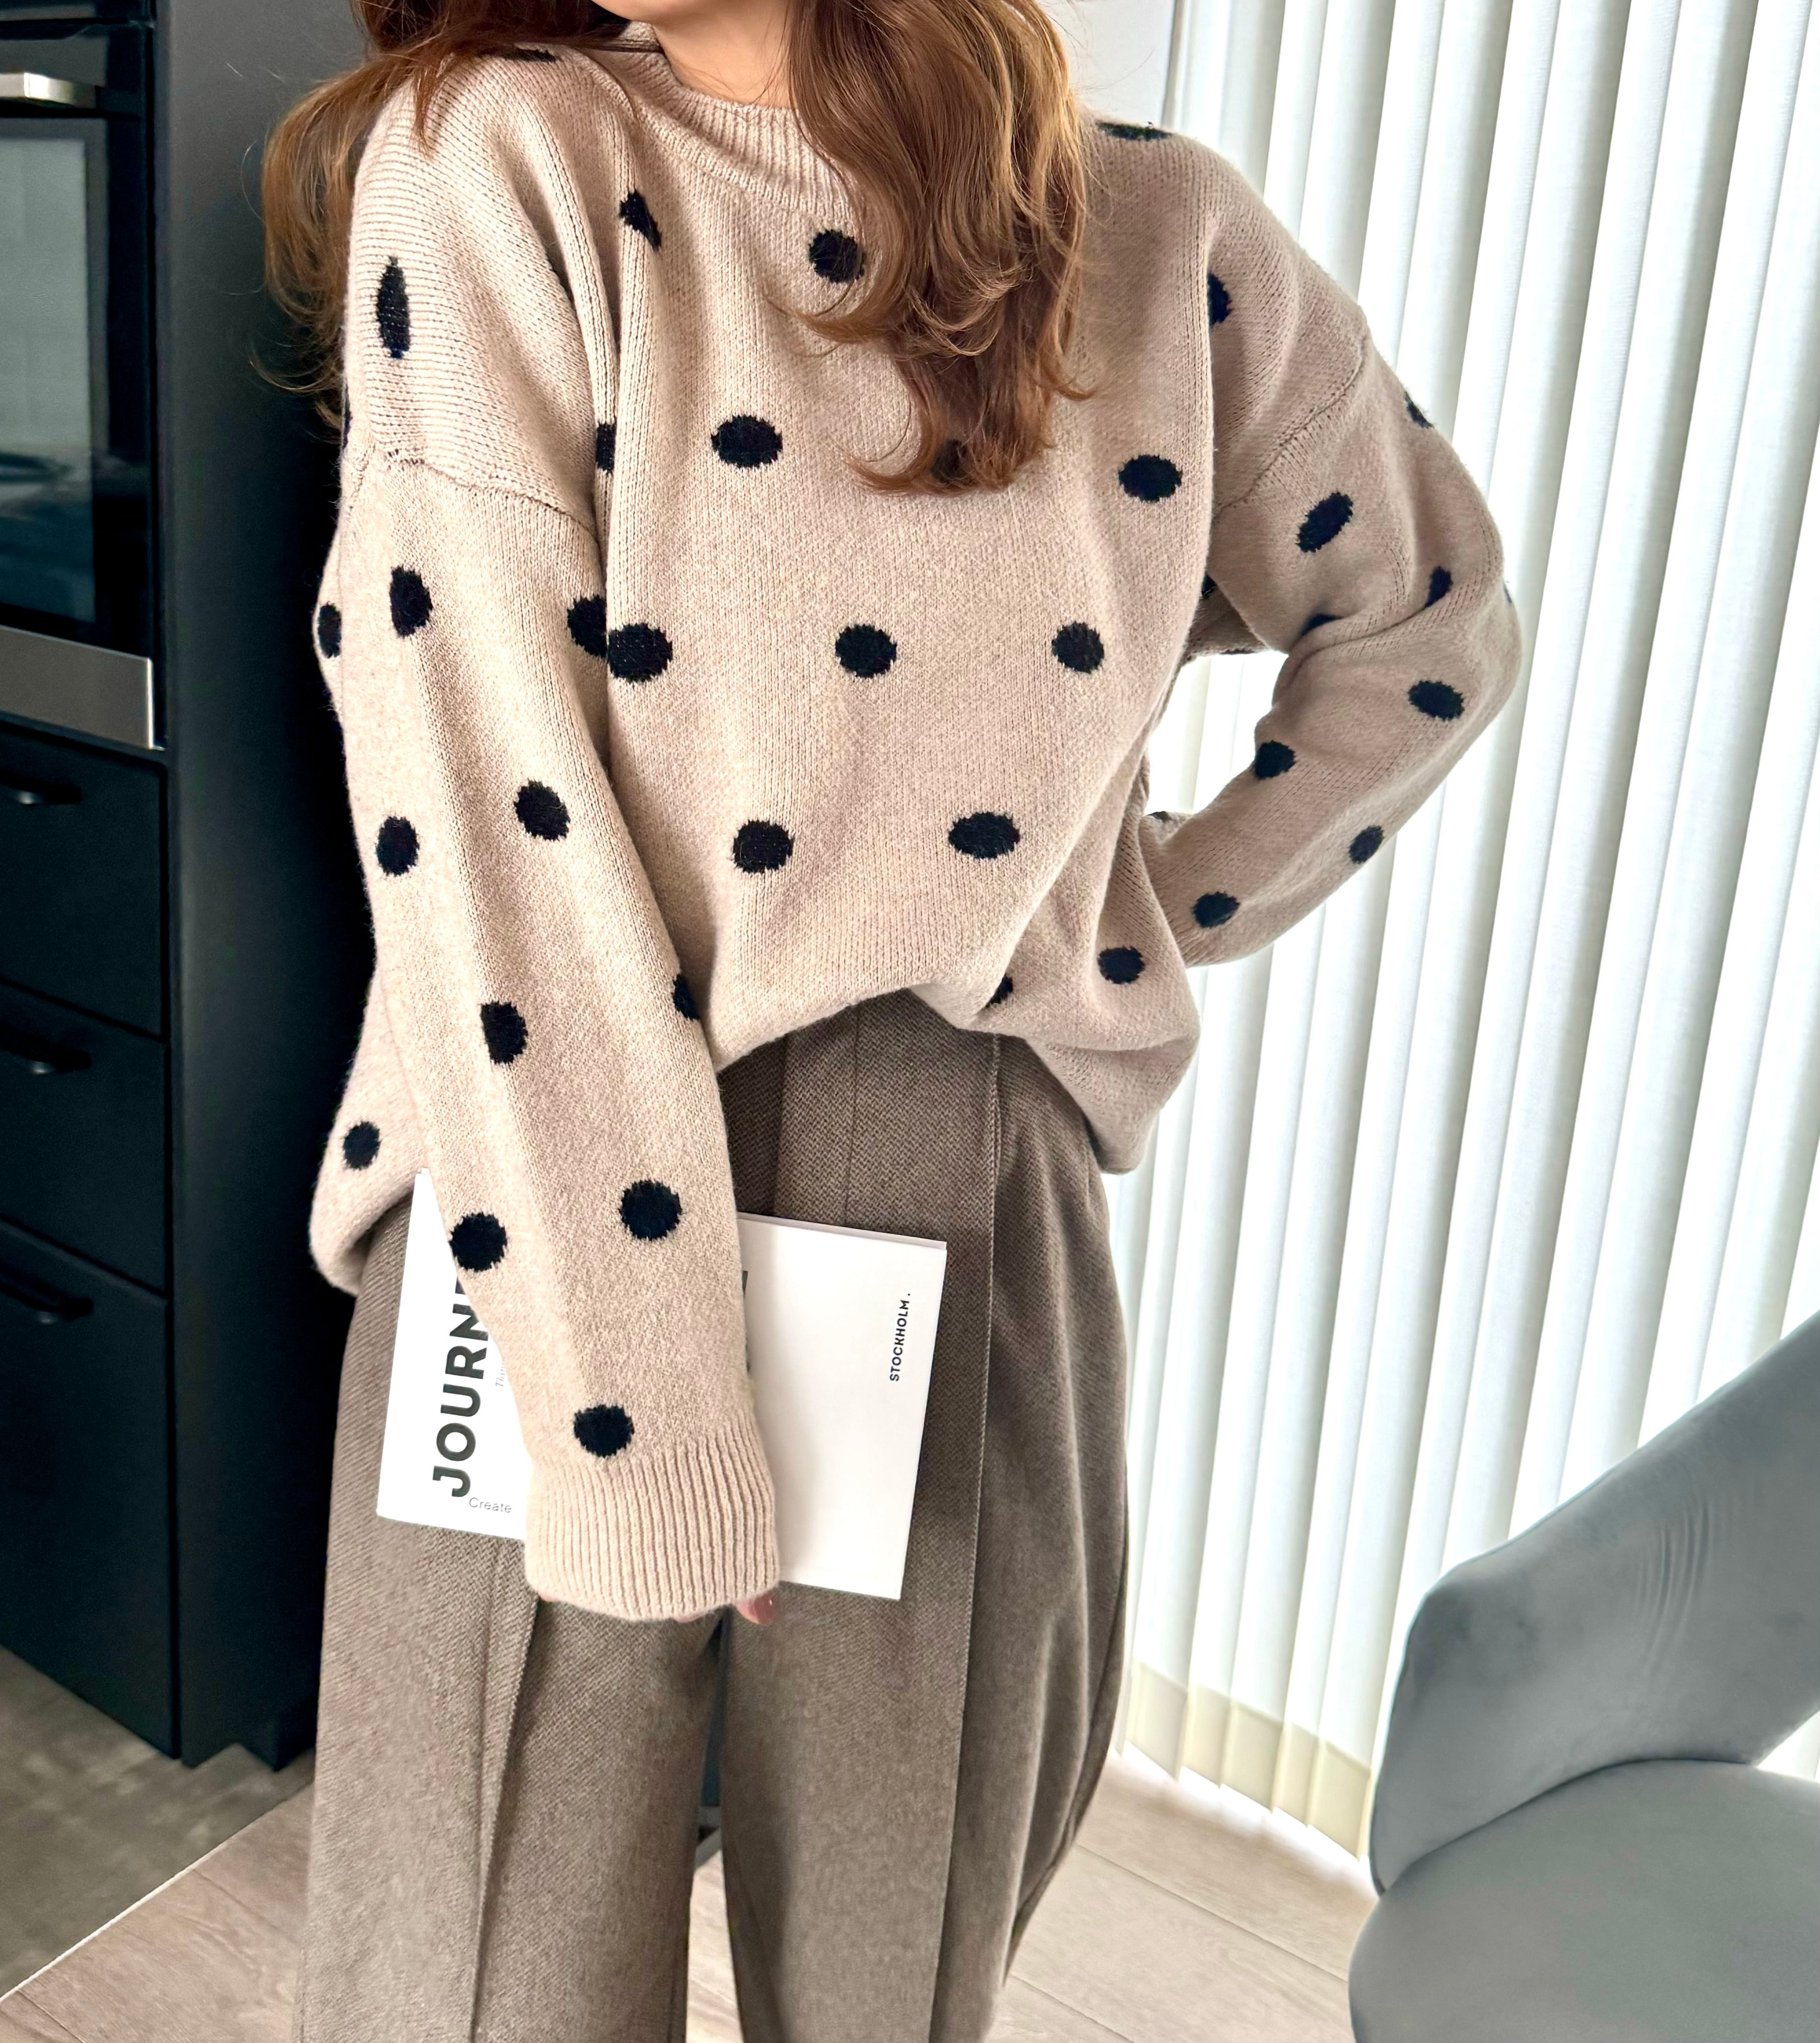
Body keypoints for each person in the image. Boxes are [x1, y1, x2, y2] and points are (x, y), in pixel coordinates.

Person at [263, 1, 1520, 2035]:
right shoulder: (500, 151)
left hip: (911, 1162)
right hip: (547, 1148)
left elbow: (1422, 623)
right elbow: (483, 798)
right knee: (483, 1972)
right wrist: (636, 1420)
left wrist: (1126, 910)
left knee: (860, 1974)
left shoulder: (1158, 231)